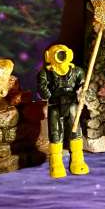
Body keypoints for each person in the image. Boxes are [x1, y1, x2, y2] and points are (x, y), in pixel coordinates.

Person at [36, 44, 89, 179]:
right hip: (55, 105)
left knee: (75, 132)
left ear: (69, 54)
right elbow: (42, 88)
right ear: (49, 56)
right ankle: (56, 162)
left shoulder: (77, 71)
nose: (60, 56)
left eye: (63, 53)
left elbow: (83, 85)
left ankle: (78, 160)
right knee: (55, 133)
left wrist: (83, 91)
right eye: (57, 54)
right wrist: (48, 95)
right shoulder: (45, 73)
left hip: (72, 105)